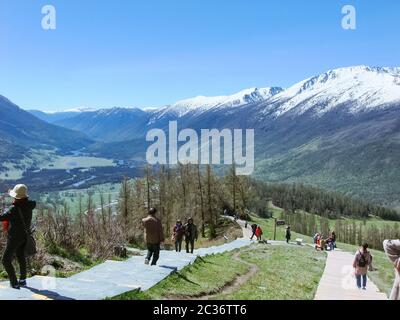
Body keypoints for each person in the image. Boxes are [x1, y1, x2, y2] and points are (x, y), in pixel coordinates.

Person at [0, 184, 36, 289]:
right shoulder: (29, 206)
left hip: (14, 238)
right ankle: (23, 280)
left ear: (16, 197)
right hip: (25, 236)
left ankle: (14, 282)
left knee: (5, 260)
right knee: (21, 257)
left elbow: (2, 217)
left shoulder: (14, 209)